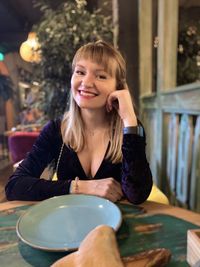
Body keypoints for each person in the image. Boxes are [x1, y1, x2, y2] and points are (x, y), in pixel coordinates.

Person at [5, 40, 152, 204]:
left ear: (118, 87)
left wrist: (129, 120)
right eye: (80, 72)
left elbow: (137, 194)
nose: (86, 83)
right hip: (70, 223)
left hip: (113, 225)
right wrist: (80, 187)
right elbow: (14, 186)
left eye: (101, 76)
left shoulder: (130, 128)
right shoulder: (56, 130)